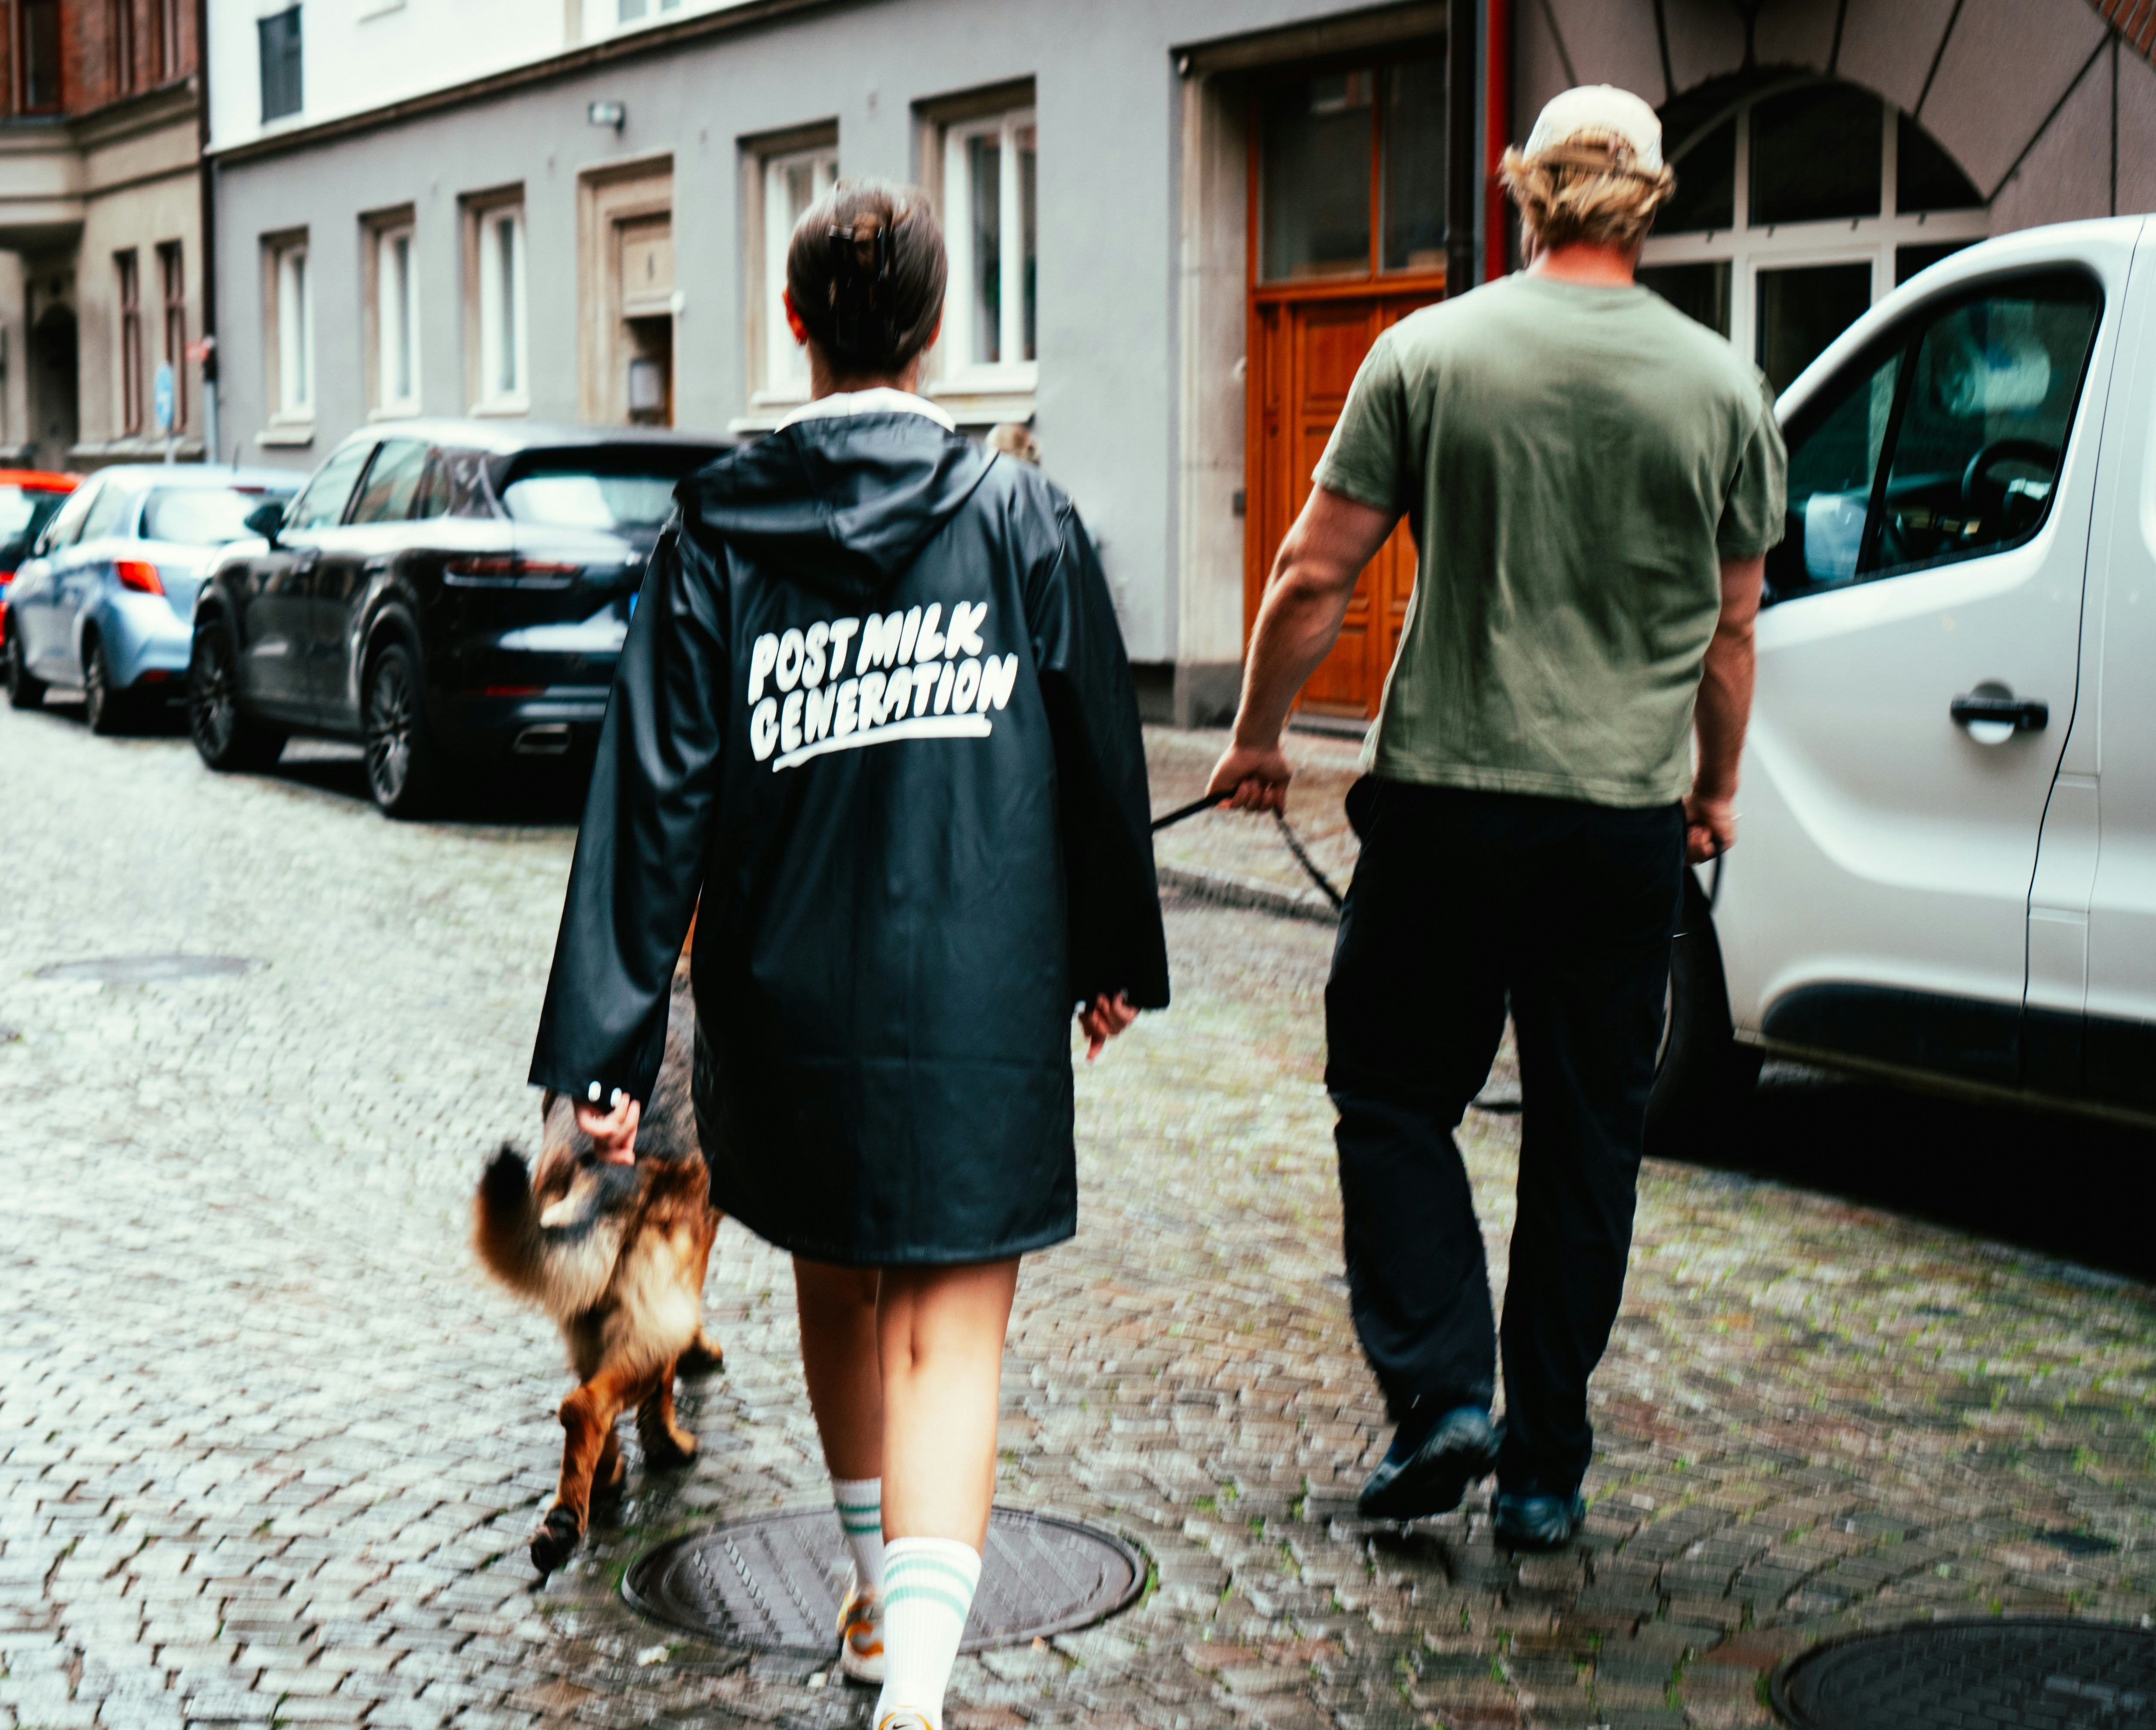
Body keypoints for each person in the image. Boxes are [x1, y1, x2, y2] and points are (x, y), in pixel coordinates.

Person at [530, 178, 1168, 1730]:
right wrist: (1109, 953)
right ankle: (917, 1693)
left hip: (786, 997)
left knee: (832, 1277)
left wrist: (606, 1052)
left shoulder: (713, 539)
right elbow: (1099, 752)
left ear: (796, 328)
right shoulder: (1023, 517)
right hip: (977, 993)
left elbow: (651, 796)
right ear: (938, 331)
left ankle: (884, 1605)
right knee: (950, 1331)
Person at [1207, 86, 1784, 1550]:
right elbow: (1732, 635)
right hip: (1617, 828)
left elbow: (1310, 577)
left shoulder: (1430, 351)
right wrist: (1713, 789)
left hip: (1451, 806)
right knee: (1589, 1137)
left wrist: (1260, 736)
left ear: (1524, 191)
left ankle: (1443, 1394)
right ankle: (1543, 1467)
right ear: (1649, 202)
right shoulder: (1724, 385)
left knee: (1394, 1096)